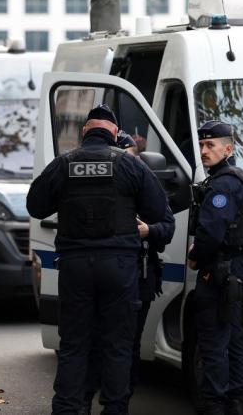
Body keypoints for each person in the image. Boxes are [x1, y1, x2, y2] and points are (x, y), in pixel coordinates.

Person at [27, 105, 168, 415]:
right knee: (117, 345)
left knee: (75, 344)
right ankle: (114, 409)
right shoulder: (131, 166)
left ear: (84, 132)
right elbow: (163, 219)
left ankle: (66, 408)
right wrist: (146, 228)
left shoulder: (63, 164)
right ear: (115, 134)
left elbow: (35, 206)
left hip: (76, 268)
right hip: (119, 269)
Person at [82, 132, 176, 413]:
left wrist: (149, 230)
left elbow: (167, 226)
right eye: (127, 155)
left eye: (133, 156)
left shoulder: (148, 188)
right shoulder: (93, 188)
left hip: (139, 275)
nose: (131, 162)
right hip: (99, 275)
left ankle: (120, 399)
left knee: (127, 344)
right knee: (94, 341)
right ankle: (87, 396)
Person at [186, 120, 243, 415]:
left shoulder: (223, 184)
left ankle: (215, 404)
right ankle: (236, 400)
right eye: (202, 145)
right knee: (233, 337)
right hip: (233, 270)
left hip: (217, 270)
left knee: (214, 340)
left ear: (228, 148)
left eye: (210, 146)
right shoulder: (238, 178)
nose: (204, 151)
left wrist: (196, 256)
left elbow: (212, 231)